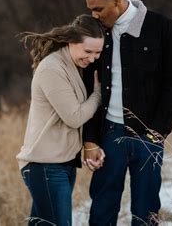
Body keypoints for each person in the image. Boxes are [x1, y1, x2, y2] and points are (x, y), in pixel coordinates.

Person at [82, 0, 172, 225]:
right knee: (102, 209)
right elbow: (89, 89)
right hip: (110, 135)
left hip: (147, 137)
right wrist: (91, 138)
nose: (94, 16)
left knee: (146, 211)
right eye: (91, 10)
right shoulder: (96, 34)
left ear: (117, 0)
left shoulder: (162, 28)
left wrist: (158, 132)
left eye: (99, 9)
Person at [16, 15, 106, 226]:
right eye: (88, 51)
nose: (93, 58)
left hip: (61, 164)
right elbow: (74, 117)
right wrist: (98, 95)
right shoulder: (52, 68)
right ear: (71, 43)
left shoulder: (73, 65)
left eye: (98, 52)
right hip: (45, 166)